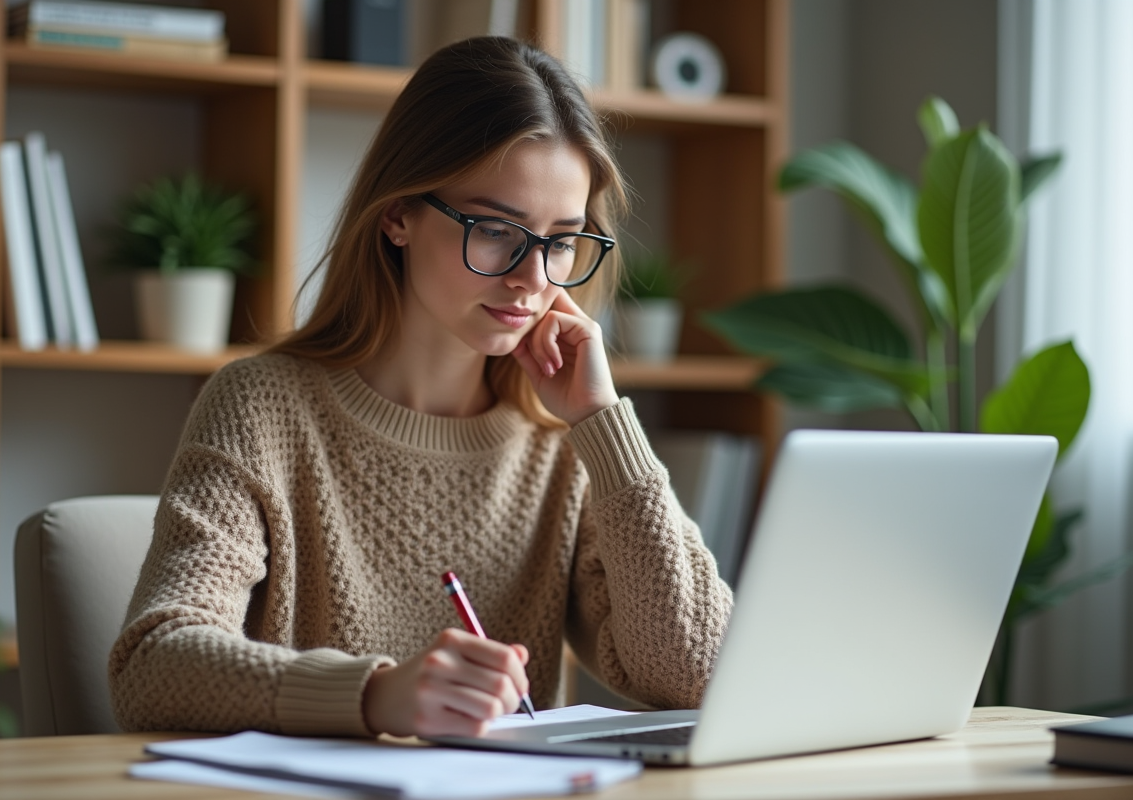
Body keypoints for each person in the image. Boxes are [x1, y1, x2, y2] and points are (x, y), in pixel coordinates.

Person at [108, 36, 733, 740]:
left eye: (562, 240)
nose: (535, 279)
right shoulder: (261, 407)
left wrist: (602, 425)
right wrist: (372, 695)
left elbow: (703, 674)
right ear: (398, 216)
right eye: (497, 230)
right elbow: (152, 663)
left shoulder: (565, 441)